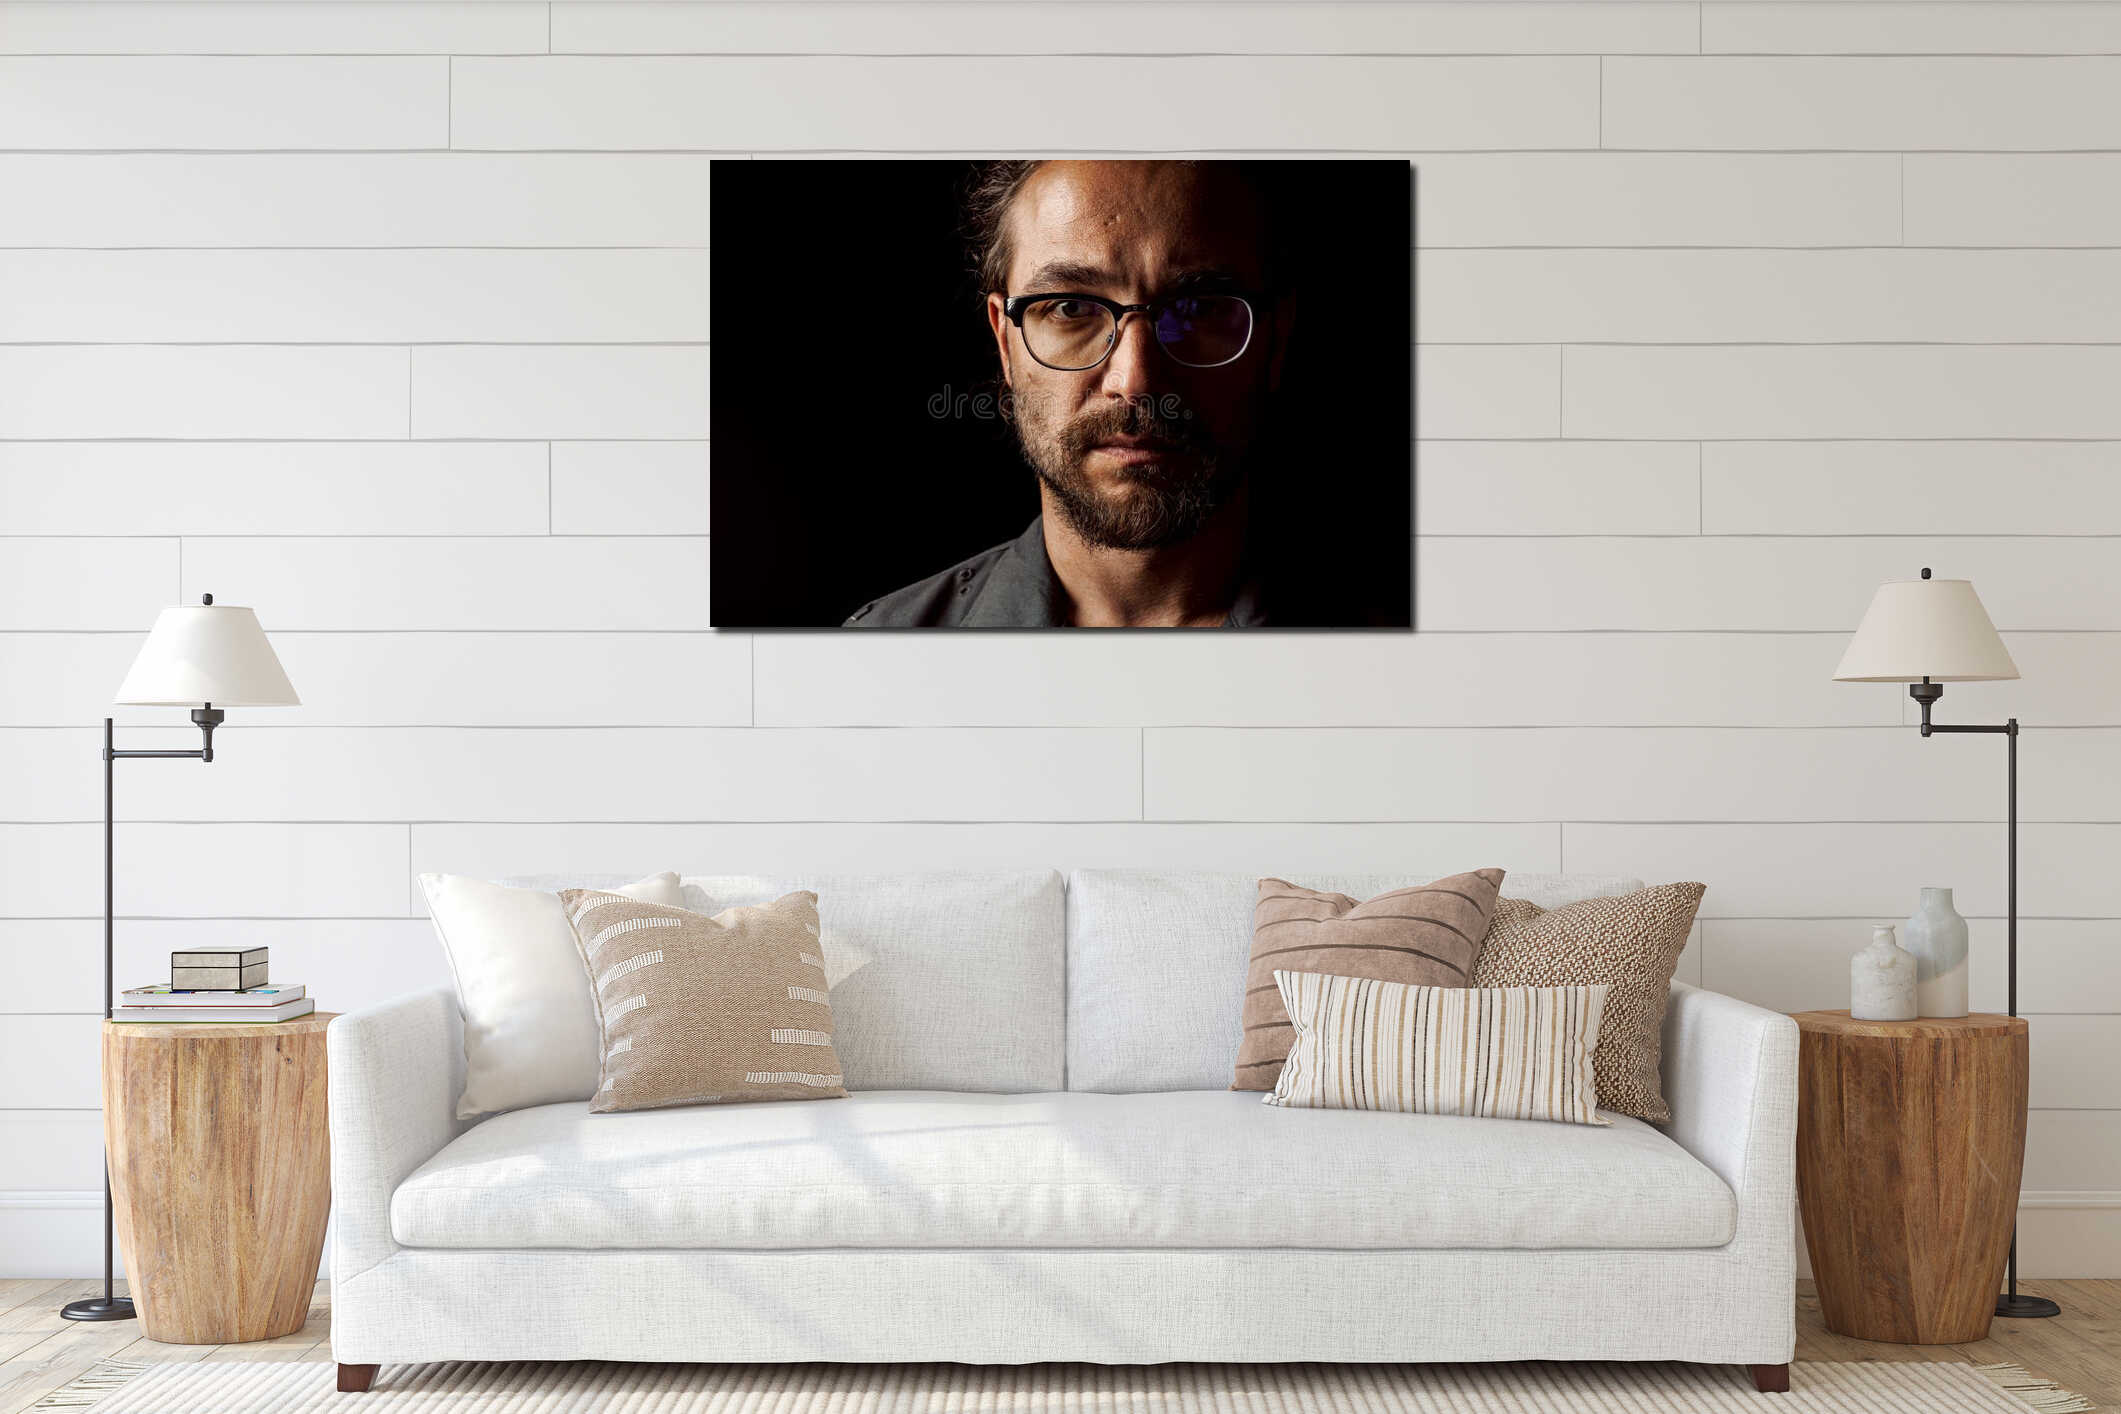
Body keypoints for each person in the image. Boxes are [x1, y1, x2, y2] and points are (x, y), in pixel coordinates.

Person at [845, 160, 1296, 629]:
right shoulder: (880, 656)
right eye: (1071, 307)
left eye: (1199, 308)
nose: (1134, 381)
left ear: (1277, 339)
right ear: (1005, 342)